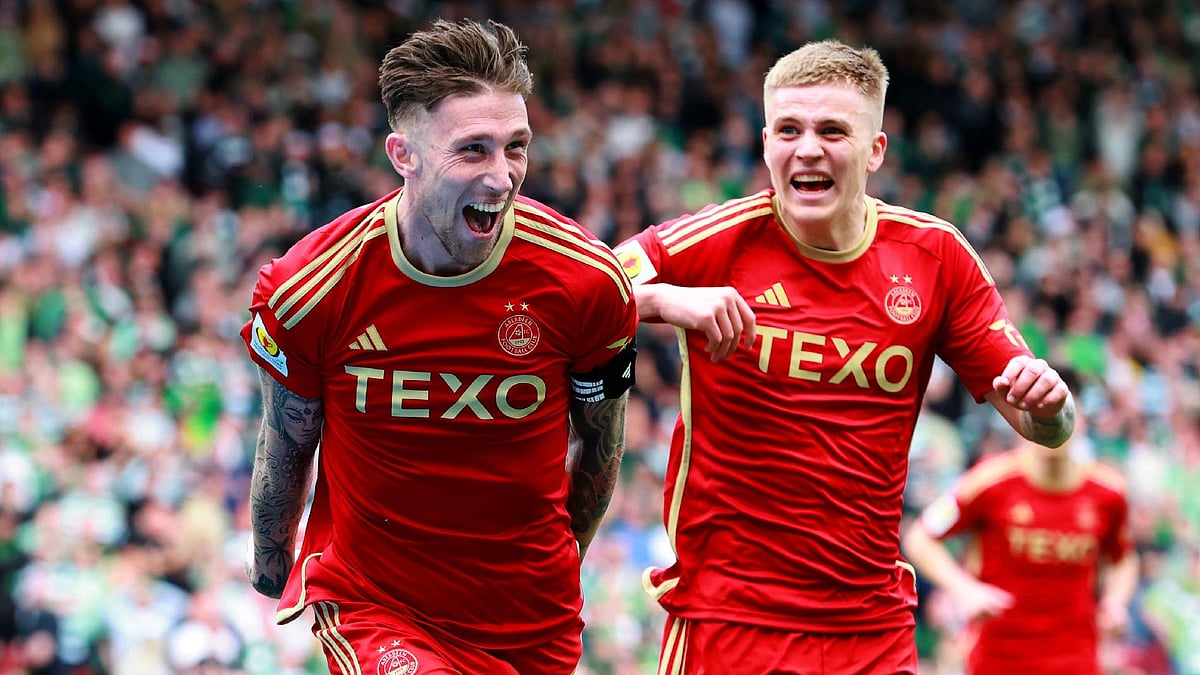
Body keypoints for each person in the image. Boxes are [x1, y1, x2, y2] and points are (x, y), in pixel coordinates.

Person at [613, 39, 1075, 673]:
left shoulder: (934, 257)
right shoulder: (717, 239)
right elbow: (582, 290)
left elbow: (1042, 425)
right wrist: (669, 302)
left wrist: (1051, 408)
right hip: (731, 622)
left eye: (833, 130)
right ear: (767, 142)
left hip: (872, 629)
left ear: (875, 149)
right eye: (789, 130)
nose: (808, 149)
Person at [240, 19, 638, 675]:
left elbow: (601, 441)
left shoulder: (589, 281)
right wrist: (269, 567)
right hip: (381, 610)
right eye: (474, 150)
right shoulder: (308, 288)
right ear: (404, 154)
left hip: (533, 620)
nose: (504, 176)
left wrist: (561, 558)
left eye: (517, 147)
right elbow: (286, 441)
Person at [901, 368, 1137, 675]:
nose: (1052, 425)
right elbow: (920, 537)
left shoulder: (1109, 493)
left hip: (1077, 660)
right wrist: (964, 589)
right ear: (1023, 423)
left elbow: (1123, 557)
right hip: (996, 659)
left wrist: (1116, 602)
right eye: (1041, 417)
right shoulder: (989, 481)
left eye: (1061, 416)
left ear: (1081, 422)